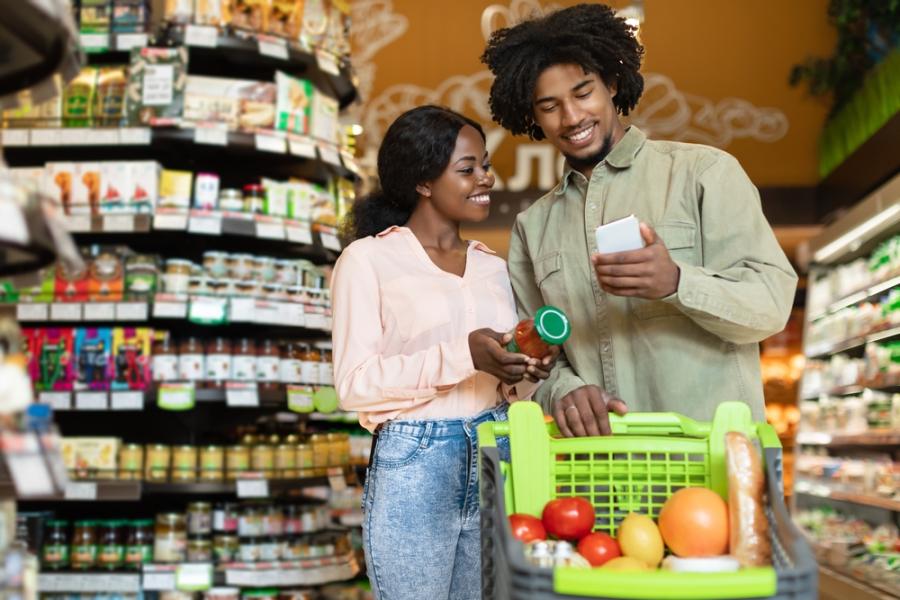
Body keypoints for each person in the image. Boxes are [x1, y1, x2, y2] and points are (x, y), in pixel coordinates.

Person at [481, 4, 798, 437]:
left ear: (611, 83)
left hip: (713, 460)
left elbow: (771, 307)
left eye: (582, 92)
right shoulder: (532, 228)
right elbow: (538, 359)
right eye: (550, 106)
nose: (571, 117)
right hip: (602, 471)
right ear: (533, 117)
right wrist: (564, 390)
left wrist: (676, 282)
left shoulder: (703, 173)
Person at [331, 105, 558, 599]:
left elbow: (510, 381)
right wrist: (463, 354)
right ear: (423, 181)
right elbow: (355, 385)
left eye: (485, 165)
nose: (486, 178)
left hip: (498, 446)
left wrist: (526, 368)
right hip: (416, 458)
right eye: (468, 168)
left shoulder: (493, 267)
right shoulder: (368, 260)